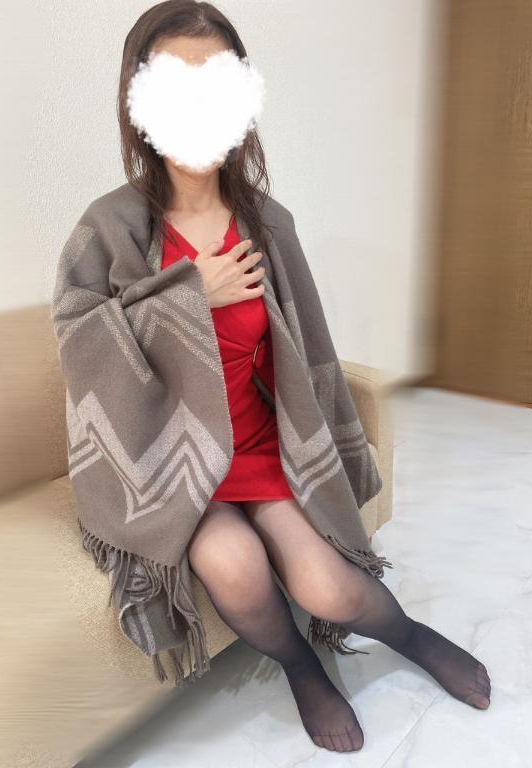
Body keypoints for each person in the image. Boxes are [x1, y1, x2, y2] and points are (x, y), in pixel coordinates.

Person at [114, 1, 491, 754]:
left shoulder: (267, 224)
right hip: (178, 466)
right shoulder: (112, 228)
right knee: (231, 563)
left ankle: (410, 635)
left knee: (326, 585)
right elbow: (85, 344)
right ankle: (300, 668)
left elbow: (306, 350)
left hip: (259, 447)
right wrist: (189, 296)